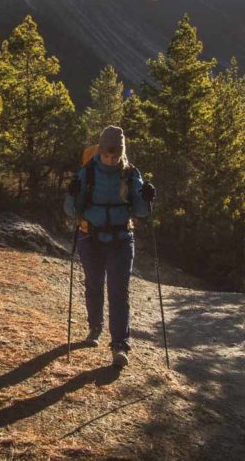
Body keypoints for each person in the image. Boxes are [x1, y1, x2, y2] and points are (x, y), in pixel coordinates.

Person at [64, 125, 156, 368]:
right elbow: (72, 211)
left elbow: (140, 212)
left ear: (121, 153)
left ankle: (120, 346)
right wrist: (72, 195)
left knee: (119, 292)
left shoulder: (131, 174)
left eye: (115, 156)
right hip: (90, 237)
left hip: (121, 239)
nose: (110, 160)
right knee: (94, 285)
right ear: (100, 151)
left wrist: (146, 199)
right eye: (106, 155)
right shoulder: (88, 172)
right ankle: (95, 328)